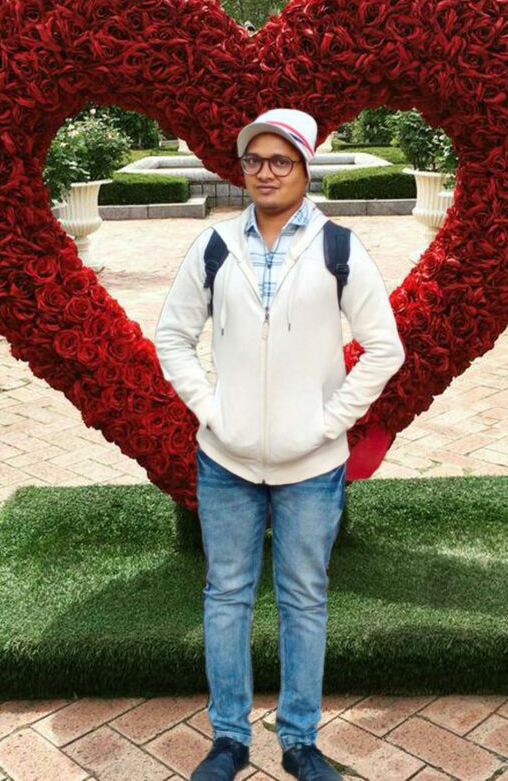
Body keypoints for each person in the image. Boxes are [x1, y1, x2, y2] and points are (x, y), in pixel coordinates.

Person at [154, 108, 405, 780]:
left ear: (304, 167)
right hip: (226, 461)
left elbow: (385, 348)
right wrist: (212, 410)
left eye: (280, 161)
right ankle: (228, 740)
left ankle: (300, 742)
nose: (265, 172)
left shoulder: (338, 248)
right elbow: (171, 337)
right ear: (243, 170)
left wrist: (330, 421)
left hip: (313, 466)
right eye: (254, 160)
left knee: (304, 599)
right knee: (226, 597)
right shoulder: (214, 246)